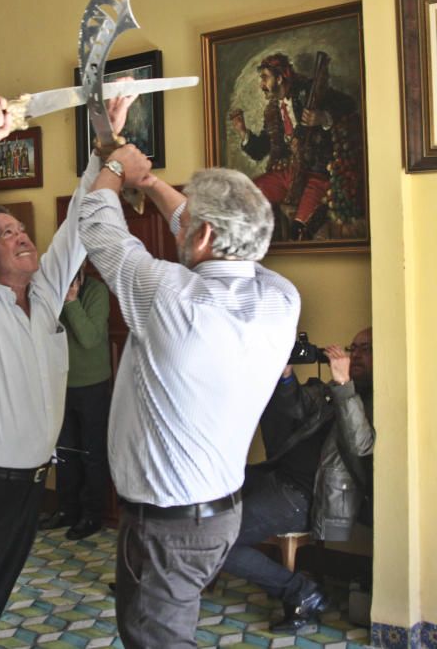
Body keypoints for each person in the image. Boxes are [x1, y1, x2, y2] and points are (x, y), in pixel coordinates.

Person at [0, 92, 134, 649]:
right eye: (4, 232)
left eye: (19, 229)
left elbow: (77, 230)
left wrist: (102, 150)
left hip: (27, 491)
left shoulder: (43, 300)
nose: (20, 236)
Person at [78, 145, 300, 648]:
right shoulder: (280, 298)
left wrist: (116, 168)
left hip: (166, 527)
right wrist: (150, 183)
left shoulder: (169, 296)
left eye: (190, 225)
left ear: (201, 236)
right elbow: (221, 237)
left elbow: (99, 229)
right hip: (219, 515)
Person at [221, 327, 374, 632]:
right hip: (276, 476)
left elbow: (361, 444)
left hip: (304, 495)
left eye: (365, 349)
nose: (354, 355)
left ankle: (300, 591)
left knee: (218, 541)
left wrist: (344, 384)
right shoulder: (336, 389)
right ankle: (159, 580)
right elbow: (298, 405)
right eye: (352, 347)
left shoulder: (378, 396)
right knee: (201, 493)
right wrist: (285, 373)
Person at [229, 52, 358, 241]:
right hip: (290, 172)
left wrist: (323, 117)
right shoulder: (273, 111)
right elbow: (261, 150)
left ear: (280, 78)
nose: (261, 85)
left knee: (298, 229)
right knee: (245, 198)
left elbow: (349, 104)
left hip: (317, 173)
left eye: (265, 78)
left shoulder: (309, 92)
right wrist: (243, 131)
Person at [39, 258, 112, 540]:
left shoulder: (96, 291)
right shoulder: (49, 291)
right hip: (59, 382)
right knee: (65, 452)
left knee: (92, 453)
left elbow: (89, 338)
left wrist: (71, 301)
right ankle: (67, 510)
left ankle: (92, 515)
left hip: (92, 384)